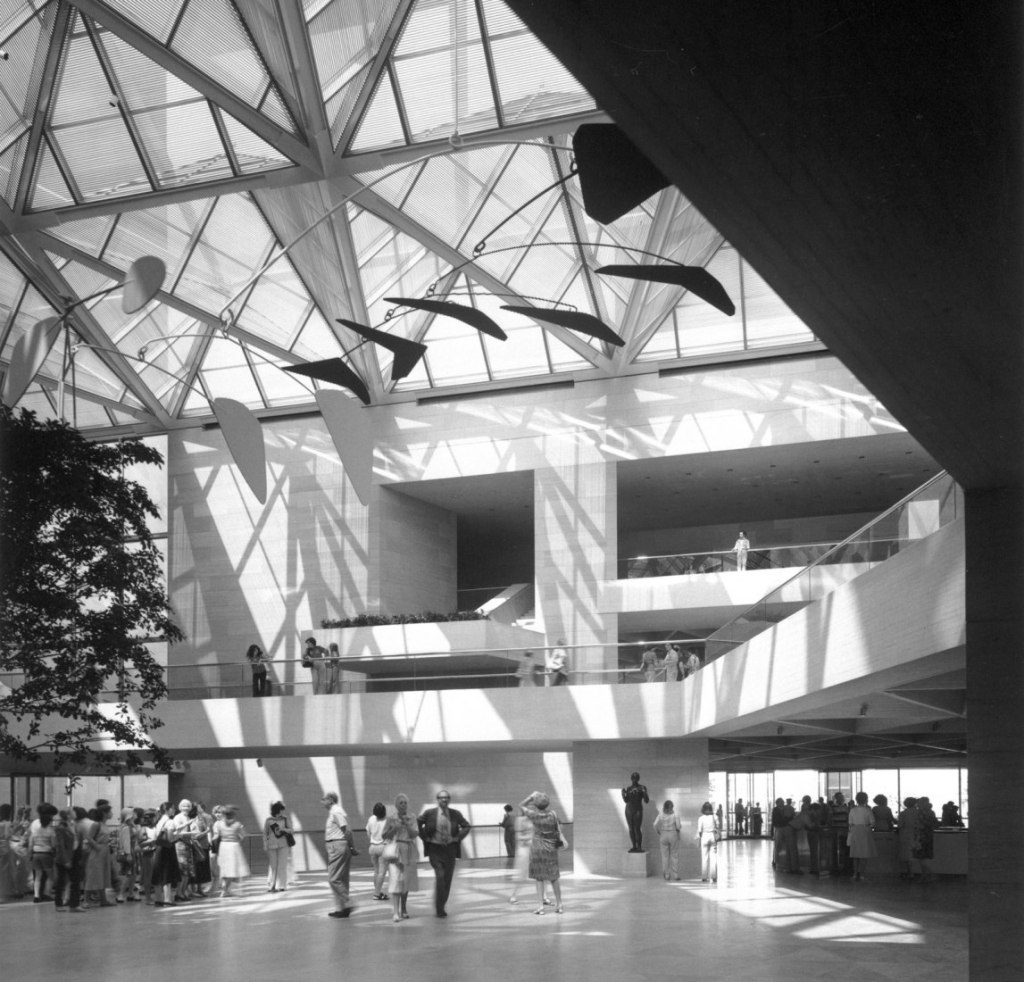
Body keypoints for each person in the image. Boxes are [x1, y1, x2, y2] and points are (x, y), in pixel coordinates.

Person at [418, 789, 471, 918]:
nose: (444, 799)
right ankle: (439, 907)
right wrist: (425, 837)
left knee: (447, 879)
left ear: (449, 800)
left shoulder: (455, 814)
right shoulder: (429, 813)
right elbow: (418, 823)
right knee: (440, 876)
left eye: (446, 797)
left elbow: (466, 826)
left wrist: (457, 838)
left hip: (450, 850)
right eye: (442, 797)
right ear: (437, 799)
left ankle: (441, 905)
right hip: (435, 849)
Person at [519, 791, 564, 914]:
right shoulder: (553, 814)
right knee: (554, 878)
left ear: (535, 804)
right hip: (551, 849)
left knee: (539, 878)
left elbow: (521, 805)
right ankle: (559, 905)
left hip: (537, 849)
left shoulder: (533, 815)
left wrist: (530, 797)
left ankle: (540, 907)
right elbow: (558, 828)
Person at [381, 793, 419, 922]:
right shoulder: (391, 818)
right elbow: (384, 835)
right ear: (396, 805)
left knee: (405, 881)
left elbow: (414, 834)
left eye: (405, 802)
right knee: (395, 880)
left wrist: (407, 825)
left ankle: (404, 909)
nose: (403, 805)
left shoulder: (412, 817)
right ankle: (396, 912)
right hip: (395, 851)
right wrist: (394, 829)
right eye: (401, 803)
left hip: (408, 850)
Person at [322, 791, 354, 917]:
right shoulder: (337, 811)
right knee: (342, 879)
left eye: (324, 799)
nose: (322, 802)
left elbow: (347, 830)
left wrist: (352, 846)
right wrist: (351, 847)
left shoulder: (336, 812)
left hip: (337, 846)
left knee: (333, 878)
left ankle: (348, 901)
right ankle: (342, 909)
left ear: (331, 800)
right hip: (340, 845)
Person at [212, 804, 248, 897]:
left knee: (225, 869)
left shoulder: (220, 824)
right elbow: (243, 836)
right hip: (233, 846)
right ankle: (225, 890)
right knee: (232, 869)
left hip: (223, 846)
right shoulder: (237, 824)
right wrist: (237, 838)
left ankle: (225, 889)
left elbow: (217, 836)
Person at [28, 802, 58, 902]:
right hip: (46, 853)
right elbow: (53, 843)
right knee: (49, 876)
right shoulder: (50, 829)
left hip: (35, 853)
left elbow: (31, 841)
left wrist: (30, 853)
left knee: (37, 876)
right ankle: (46, 893)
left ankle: (37, 895)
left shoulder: (34, 825)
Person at [264, 800, 293, 893]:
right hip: (271, 845)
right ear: (277, 810)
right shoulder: (269, 820)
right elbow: (265, 833)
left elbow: (291, 830)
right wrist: (265, 844)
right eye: (281, 810)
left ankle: (282, 886)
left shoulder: (285, 819)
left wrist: (283, 829)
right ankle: (272, 886)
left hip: (283, 844)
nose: (283, 811)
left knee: (282, 865)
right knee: (273, 866)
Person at [847, 791, 877, 880]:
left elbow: (850, 822)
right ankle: (862, 874)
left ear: (856, 800)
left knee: (855, 854)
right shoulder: (868, 810)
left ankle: (855, 874)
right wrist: (867, 826)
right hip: (865, 832)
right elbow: (872, 823)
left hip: (855, 831)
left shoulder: (852, 810)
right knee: (864, 854)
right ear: (866, 800)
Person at [653, 800, 682, 880]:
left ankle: (667, 874)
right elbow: (678, 827)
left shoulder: (661, 814)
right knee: (674, 855)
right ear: (672, 807)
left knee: (665, 856)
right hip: (673, 834)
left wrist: (658, 831)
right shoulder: (675, 815)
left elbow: (654, 824)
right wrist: (679, 827)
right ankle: (675, 875)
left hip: (663, 834)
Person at [913, 796, 940, 882]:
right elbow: (934, 824)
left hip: (921, 836)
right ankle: (925, 875)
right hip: (929, 835)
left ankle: (930, 874)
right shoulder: (931, 812)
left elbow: (920, 824)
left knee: (921, 857)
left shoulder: (919, 812)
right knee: (925, 857)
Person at [621, 772, 649, 852]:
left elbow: (646, 800)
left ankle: (639, 846)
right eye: (633, 778)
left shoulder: (642, 787)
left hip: (638, 810)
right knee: (631, 829)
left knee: (637, 828)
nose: (634, 779)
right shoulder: (629, 788)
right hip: (629, 810)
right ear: (631, 778)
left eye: (636, 778)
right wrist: (623, 795)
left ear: (638, 779)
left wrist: (644, 792)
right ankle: (634, 846)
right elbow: (626, 800)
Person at [366, 802, 388, 900]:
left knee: (376, 871)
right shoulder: (387, 821)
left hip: (372, 847)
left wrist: (372, 841)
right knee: (382, 873)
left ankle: (377, 891)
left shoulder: (371, 819)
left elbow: (368, 832)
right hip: (383, 847)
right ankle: (376, 894)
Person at [695, 801, 719, 882]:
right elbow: (718, 826)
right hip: (712, 836)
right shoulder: (715, 817)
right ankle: (714, 876)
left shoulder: (701, 818)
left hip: (704, 836)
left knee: (704, 857)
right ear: (711, 809)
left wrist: (699, 839)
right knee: (713, 857)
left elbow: (699, 831)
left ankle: (704, 876)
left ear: (703, 809)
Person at [897, 797, 918, 879]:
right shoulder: (918, 813)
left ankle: (909, 872)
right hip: (916, 834)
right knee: (915, 853)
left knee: (907, 854)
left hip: (905, 835)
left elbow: (900, 825)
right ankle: (916, 871)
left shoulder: (903, 813)